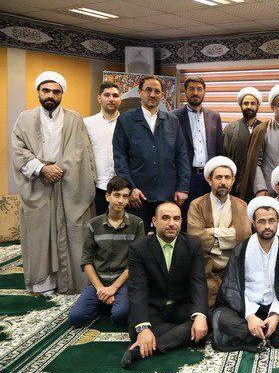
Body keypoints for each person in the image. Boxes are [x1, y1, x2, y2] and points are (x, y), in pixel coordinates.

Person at [11, 71, 96, 294]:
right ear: (38, 92)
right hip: (38, 185)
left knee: (73, 231)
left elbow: (82, 151)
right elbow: (18, 149)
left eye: (56, 92)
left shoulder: (74, 118)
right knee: (39, 233)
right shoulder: (24, 118)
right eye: (46, 90)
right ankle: (43, 283)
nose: (51, 95)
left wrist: (60, 169)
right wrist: (41, 168)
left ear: (61, 94)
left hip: (68, 184)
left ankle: (71, 282)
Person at [212, 196, 279, 352]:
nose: (267, 226)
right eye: (261, 221)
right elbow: (232, 288)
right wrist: (250, 317)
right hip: (246, 307)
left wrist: (275, 316)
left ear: (278, 221)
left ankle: (255, 336)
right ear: (253, 223)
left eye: (271, 221)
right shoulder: (241, 250)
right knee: (220, 317)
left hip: (277, 306)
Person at [121, 202, 208, 368]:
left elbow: (198, 281)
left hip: (181, 306)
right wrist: (143, 328)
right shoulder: (139, 248)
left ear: (181, 221)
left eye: (176, 219)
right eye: (166, 218)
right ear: (154, 221)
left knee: (205, 319)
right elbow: (137, 289)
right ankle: (180, 334)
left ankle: (143, 349)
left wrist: (200, 317)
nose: (171, 223)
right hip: (153, 307)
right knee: (137, 329)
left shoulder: (193, 244)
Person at [113, 75, 190, 230]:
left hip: (167, 194)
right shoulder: (125, 121)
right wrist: (130, 188)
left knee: (165, 236)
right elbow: (120, 159)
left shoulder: (172, 121)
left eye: (157, 91)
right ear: (140, 92)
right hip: (137, 196)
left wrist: (182, 187)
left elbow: (182, 156)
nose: (153, 95)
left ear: (162, 95)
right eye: (148, 90)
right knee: (137, 238)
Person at [69, 176, 145, 327]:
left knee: (120, 316)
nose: (121, 200)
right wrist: (101, 289)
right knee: (76, 318)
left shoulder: (137, 224)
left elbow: (136, 262)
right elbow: (86, 261)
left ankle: (110, 303)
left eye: (125, 196)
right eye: (117, 195)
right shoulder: (94, 224)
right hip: (99, 282)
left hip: (124, 283)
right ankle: (105, 301)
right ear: (107, 196)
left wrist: (113, 289)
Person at [187, 156, 252, 308]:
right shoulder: (197, 205)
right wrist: (230, 236)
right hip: (205, 270)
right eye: (218, 177)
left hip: (234, 270)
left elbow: (244, 236)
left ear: (233, 181)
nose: (223, 182)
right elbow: (195, 238)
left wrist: (212, 231)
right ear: (210, 180)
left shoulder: (242, 205)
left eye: (227, 178)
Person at [236, 84, 279, 199]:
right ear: (272, 107)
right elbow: (255, 163)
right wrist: (260, 188)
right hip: (268, 191)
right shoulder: (262, 130)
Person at [172, 76, 224, 221]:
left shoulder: (214, 117)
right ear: (185, 92)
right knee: (185, 218)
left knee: (208, 217)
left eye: (199, 89)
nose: (195, 93)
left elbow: (219, 150)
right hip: (186, 178)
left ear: (204, 92)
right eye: (191, 89)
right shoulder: (174, 117)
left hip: (209, 177)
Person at [84, 81, 122, 215]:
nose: (111, 99)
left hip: (123, 188)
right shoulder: (87, 123)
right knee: (99, 224)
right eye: (107, 95)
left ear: (120, 99)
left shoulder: (127, 123)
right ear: (99, 98)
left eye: (115, 95)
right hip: (97, 188)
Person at [223, 87, 263, 196]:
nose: (249, 106)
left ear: (258, 105)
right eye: (246, 103)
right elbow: (225, 156)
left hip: (259, 185)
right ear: (241, 105)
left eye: (252, 103)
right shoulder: (230, 129)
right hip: (236, 184)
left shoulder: (265, 129)